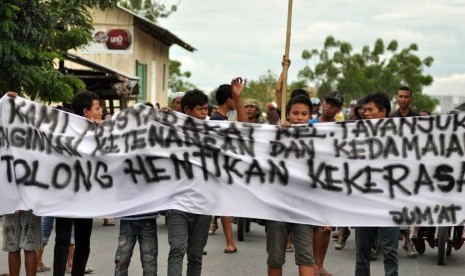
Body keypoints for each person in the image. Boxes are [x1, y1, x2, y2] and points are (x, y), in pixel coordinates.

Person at [266, 95, 315, 276]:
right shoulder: (275, 134)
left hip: (303, 207)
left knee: (306, 257)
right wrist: (281, 134)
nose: (300, 117)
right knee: (275, 258)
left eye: (304, 114)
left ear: (311, 116)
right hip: (277, 207)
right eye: (295, 113)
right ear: (288, 115)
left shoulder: (318, 138)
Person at [53, 91, 101, 276]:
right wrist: (12, 100)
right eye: (97, 108)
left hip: (85, 195)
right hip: (65, 193)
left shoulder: (100, 131)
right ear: (86, 111)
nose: (100, 112)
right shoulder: (62, 129)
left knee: (83, 242)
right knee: (63, 240)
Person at [166, 89, 212, 276]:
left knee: (195, 255)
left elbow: (243, 129)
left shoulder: (213, 130)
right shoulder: (172, 129)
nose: (204, 113)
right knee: (177, 248)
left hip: (203, 204)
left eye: (206, 109)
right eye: (200, 109)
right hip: (177, 203)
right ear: (187, 110)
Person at [355, 91, 399, 276]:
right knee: (362, 253)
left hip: (390, 204)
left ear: (383, 112)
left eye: (370, 110)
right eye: (364, 110)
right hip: (364, 202)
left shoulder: (400, 134)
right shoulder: (355, 133)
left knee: (390, 252)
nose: (365, 113)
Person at [208, 79, 246, 254]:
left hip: (220, 167)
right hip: (220, 168)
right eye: (235, 98)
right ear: (228, 99)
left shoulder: (219, 118)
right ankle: (230, 242)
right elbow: (244, 127)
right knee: (224, 205)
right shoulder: (218, 120)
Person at [308, 91, 344, 276]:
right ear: (323, 103)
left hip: (330, 182)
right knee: (312, 225)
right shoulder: (309, 124)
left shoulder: (341, 130)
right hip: (309, 180)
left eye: (334, 104)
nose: (329, 106)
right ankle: (311, 264)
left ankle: (319, 264)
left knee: (326, 226)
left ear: (339, 109)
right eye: (327, 102)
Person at [389, 86, 418, 258]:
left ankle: (408, 240)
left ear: (410, 99)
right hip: (393, 167)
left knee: (406, 204)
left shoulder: (417, 119)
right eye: (400, 96)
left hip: (411, 168)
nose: (403, 99)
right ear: (396, 98)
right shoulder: (390, 118)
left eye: (406, 97)